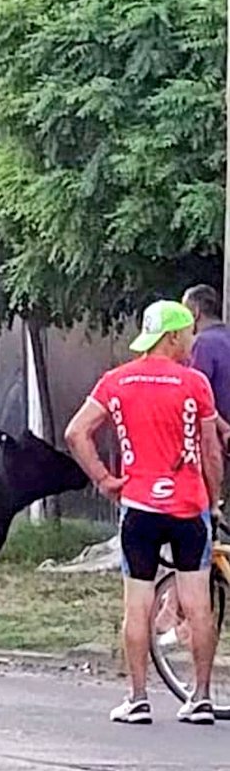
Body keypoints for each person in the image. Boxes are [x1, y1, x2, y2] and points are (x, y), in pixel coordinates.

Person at [65, 299, 223, 726]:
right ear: (172, 337)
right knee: (197, 603)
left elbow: (76, 432)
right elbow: (210, 450)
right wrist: (212, 498)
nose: (192, 341)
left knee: (138, 604)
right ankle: (201, 697)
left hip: (138, 506)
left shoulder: (116, 382)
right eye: (188, 333)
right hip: (189, 506)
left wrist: (102, 478)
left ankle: (136, 699)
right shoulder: (194, 384)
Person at [184, 284, 230, 449]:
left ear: (195, 312)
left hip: (220, 441)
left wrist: (223, 428)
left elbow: (196, 395)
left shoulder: (201, 344)